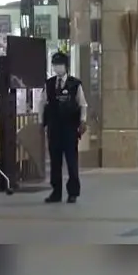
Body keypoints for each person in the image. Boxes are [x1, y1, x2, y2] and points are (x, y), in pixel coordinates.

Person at [42, 51, 87, 203]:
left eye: (60, 64)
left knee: (71, 161)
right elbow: (43, 104)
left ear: (66, 66)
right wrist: (42, 124)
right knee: (55, 162)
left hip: (69, 128)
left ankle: (73, 192)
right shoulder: (49, 84)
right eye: (55, 64)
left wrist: (82, 121)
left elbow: (82, 104)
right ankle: (56, 192)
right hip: (54, 128)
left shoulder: (75, 84)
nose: (57, 67)